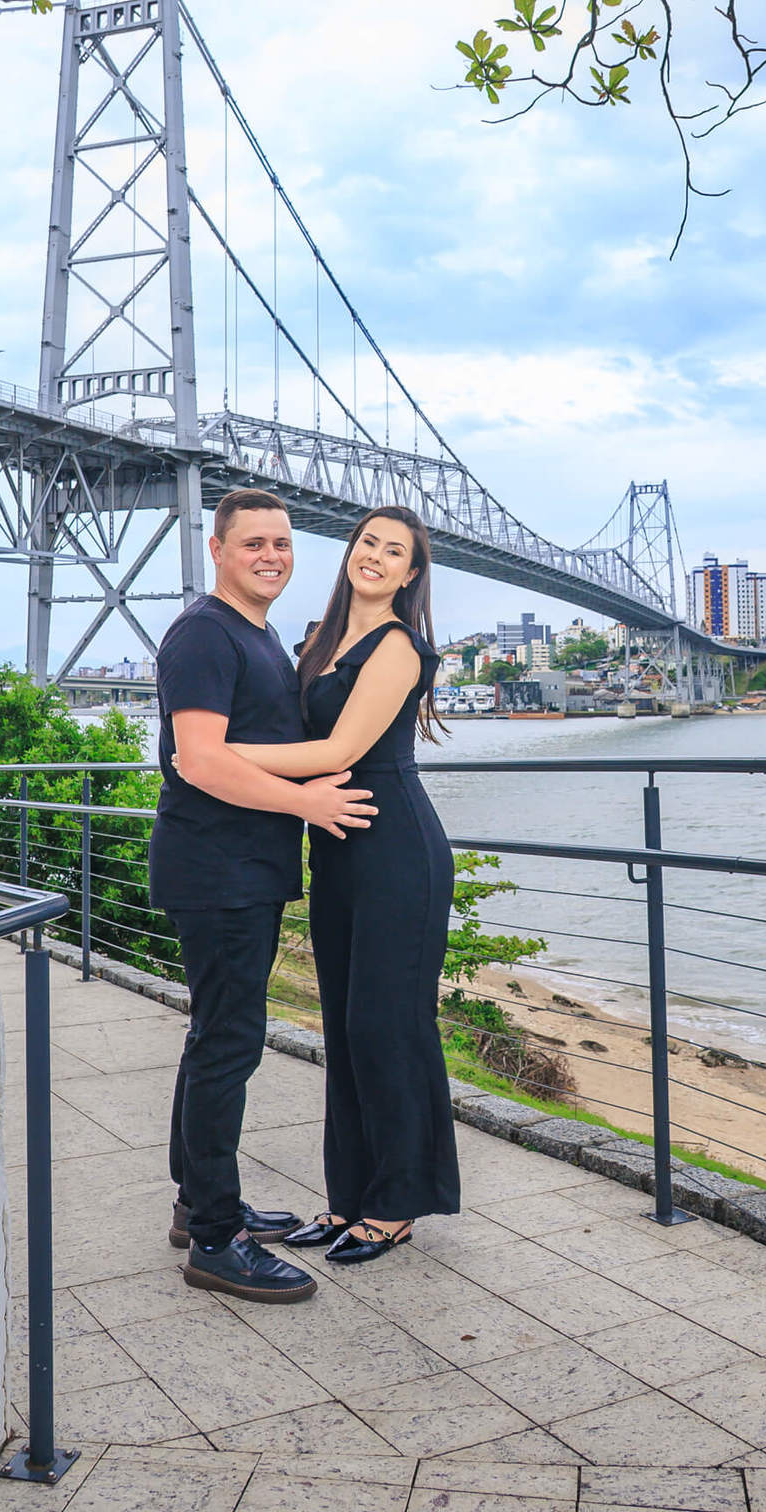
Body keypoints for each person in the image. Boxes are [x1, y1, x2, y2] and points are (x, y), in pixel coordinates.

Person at [213, 505, 460, 1264]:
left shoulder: (399, 648)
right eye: (367, 544)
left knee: (391, 1026)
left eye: (395, 552)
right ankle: (349, 1198)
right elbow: (302, 745)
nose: (376, 558)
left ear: (411, 573)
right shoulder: (317, 644)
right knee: (347, 1031)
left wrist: (219, 757)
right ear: (350, 553)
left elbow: (342, 746)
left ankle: (397, 1204)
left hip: (397, 851)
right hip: (337, 848)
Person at [150, 487, 377, 1304]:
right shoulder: (204, 634)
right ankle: (216, 1241)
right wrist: (308, 803)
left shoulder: (258, 634)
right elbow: (199, 760)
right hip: (217, 872)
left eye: (281, 543)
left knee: (215, 1035)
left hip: (237, 870)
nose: (272, 556)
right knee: (230, 1046)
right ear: (217, 549)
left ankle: (196, 1202)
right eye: (253, 544)